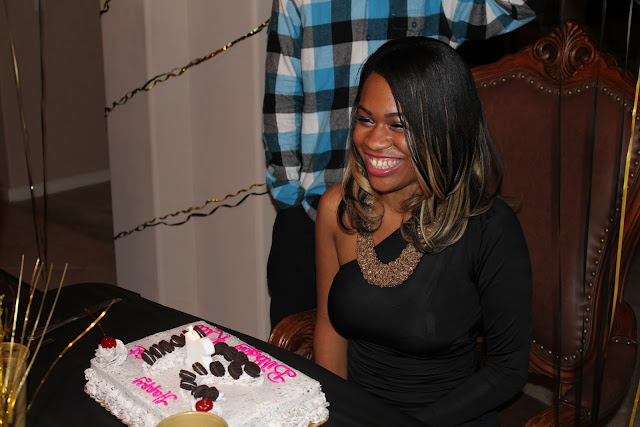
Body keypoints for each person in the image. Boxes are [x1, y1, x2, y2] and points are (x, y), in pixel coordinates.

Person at [263, 0, 540, 329]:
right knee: (293, 352)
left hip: (426, 223)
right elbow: (281, 91)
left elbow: (515, 7)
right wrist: (292, 201)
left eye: (395, 124)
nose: (376, 139)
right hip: (314, 210)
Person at [314, 37, 532, 426]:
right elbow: (330, 328)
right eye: (365, 119)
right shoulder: (339, 209)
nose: (373, 141)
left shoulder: (488, 227)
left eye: (398, 125)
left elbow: (507, 370)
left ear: (444, 129)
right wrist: (331, 415)